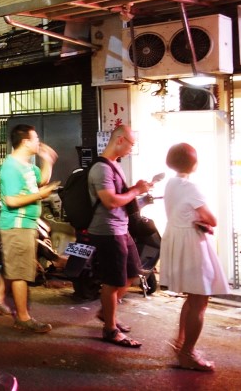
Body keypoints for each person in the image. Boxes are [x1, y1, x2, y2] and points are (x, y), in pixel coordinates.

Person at [161, 143, 229, 371]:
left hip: (179, 240)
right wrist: (204, 221)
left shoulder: (171, 183)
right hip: (192, 245)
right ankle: (188, 353)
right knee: (200, 299)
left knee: (192, 298)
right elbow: (212, 219)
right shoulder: (191, 187)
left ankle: (181, 343)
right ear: (194, 162)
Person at [88, 125, 151, 348]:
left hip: (121, 229)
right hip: (107, 231)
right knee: (113, 281)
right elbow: (111, 201)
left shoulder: (115, 166)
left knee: (132, 273)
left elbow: (122, 198)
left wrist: (138, 194)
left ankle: (107, 313)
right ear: (120, 140)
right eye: (131, 144)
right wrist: (136, 191)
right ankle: (110, 330)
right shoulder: (101, 169)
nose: (131, 149)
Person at [0, 124, 59, 333]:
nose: (38, 142)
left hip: (27, 225)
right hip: (17, 225)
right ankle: (23, 317)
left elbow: (41, 181)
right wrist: (40, 196)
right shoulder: (11, 167)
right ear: (25, 142)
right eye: (35, 139)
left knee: (19, 270)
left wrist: (47, 161)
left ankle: (0, 301)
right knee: (20, 273)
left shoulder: (27, 165)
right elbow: (12, 200)